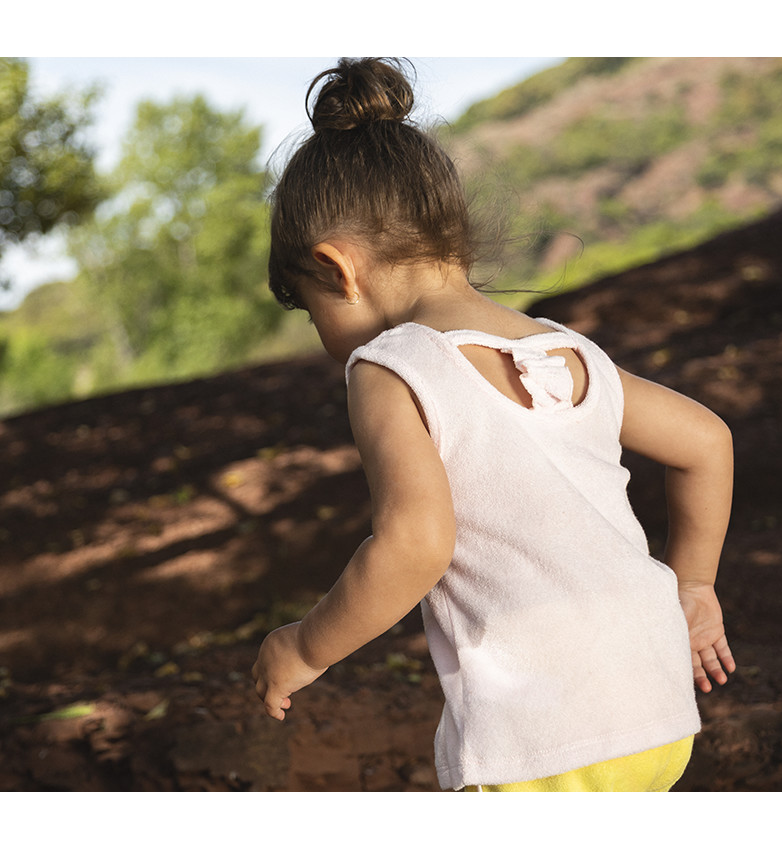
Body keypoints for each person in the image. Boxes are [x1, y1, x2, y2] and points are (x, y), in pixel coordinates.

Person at [252, 57, 736, 792]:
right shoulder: (568, 350)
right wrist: (694, 587)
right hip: (658, 716)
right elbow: (707, 442)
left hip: (543, 736)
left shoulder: (392, 367)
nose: (324, 336)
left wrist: (306, 648)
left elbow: (415, 545)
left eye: (312, 308)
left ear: (338, 269)